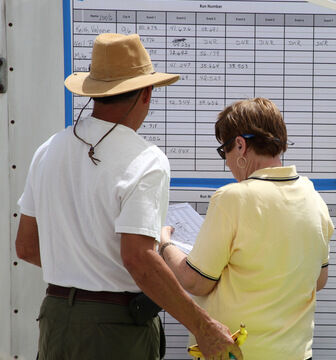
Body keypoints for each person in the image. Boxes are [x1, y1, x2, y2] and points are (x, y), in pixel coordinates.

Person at [14, 33, 242, 360]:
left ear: (93, 93)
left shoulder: (48, 150)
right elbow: (138, 260)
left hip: (54, 319)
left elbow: (26, 246)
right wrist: (203, 325)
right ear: (147, 93)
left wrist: (81, 264)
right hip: (115, 328)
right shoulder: (146, 159)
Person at [159, 97, 334, 360]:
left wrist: (165, 244)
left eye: (224, 151)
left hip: (238, 353)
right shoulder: (314, 199)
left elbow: (195, 281)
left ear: (240, 145)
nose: (227, 162)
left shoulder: (232, 199)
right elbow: (319, 280)